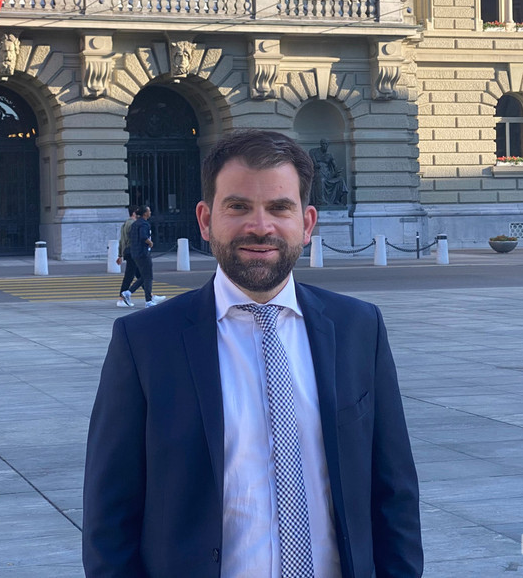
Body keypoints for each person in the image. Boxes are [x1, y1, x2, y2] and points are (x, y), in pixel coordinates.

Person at [83, 130, 422, 578]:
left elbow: (393, 492)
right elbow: (110, 515)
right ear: (205, 220)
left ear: (307, 222)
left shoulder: (359, 328)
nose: (260, 226)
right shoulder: (144, 343)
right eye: (238, 206)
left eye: (280, 207)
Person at [128, 205, 165, 308]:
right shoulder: (144, 224)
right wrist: (150, 243)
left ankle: (129, 292)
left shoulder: (135, 224)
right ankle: (148, 301)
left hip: (135, 253)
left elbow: (130, 235)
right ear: (145, 213)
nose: (150, 213)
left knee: (145, 276)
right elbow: (143, 236)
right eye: (149, 211)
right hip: (143, 253)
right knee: (148, 277)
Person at [309, 138, 348, 207]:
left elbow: (335, 166)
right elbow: (313, 162)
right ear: (321, 144)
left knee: (340, 180)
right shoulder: (314, 152)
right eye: (323, 143)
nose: (325, 145)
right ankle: (321, 201)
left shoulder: (330, 155)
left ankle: (336, 200)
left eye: (326, 144)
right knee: (321, 180)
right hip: (318, 174)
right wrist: (316, 164)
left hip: (328, 175)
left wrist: (337, 171)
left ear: (328, 145)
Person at [116, 205, 141, 307]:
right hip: (133, 252)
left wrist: (120, 254)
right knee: (129, 276)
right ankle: (121, 298)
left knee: (141, 275)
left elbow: (122, 240)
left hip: (128, 252)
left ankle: (150, 295)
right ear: (134, 213)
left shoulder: (125, 223)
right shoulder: (133, 224)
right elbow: (134, 240)